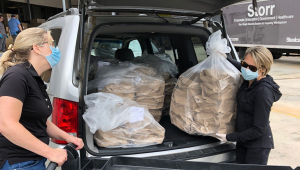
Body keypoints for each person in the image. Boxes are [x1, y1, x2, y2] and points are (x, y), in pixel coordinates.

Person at [0, 27, 84, 170]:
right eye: (52, 44)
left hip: (34, 161)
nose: (55, 49)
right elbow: (6, 124)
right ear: (37, 48)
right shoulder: (17, 76)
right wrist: (50, 152)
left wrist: (68, 137)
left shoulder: (33, 77)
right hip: (19, 163)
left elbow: (39, 120)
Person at [216, 46, 282, 165]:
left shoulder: (263, 92)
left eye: (251, 67)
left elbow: (259, 129)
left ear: (262, 69)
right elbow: (241, 66)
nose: (246, 69)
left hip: (257, 147)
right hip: (243, 141)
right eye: (244, 64)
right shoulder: (249, 80)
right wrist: (225, 57)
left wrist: (229, 137)